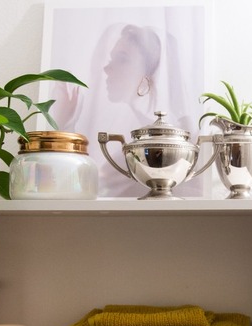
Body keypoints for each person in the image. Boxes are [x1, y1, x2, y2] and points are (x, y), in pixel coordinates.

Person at [52, 23, 200, 197]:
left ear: (150, 75)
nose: (106, 68)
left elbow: (82, 186)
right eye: (110, 59)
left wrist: (64, 125)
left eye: (122, 59)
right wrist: (65, 125)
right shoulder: (117, 126)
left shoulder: (145, 142)